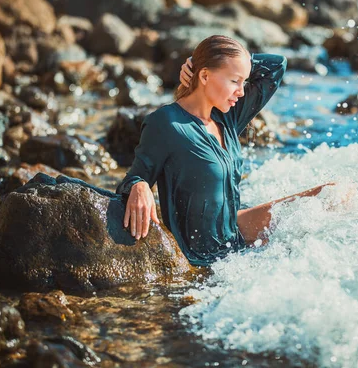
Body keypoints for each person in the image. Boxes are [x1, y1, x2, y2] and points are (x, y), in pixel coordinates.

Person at [116, 35, 337, 267]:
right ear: (204, 76)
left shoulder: (227, 117)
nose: (241, 92)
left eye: (244, 82)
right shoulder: (166, 123)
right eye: (234, 81)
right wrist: (140, 186)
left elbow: (277, 65)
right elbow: (133, 179)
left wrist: (199, 59)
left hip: (235, 235)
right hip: (204, 258)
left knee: (335, 193)